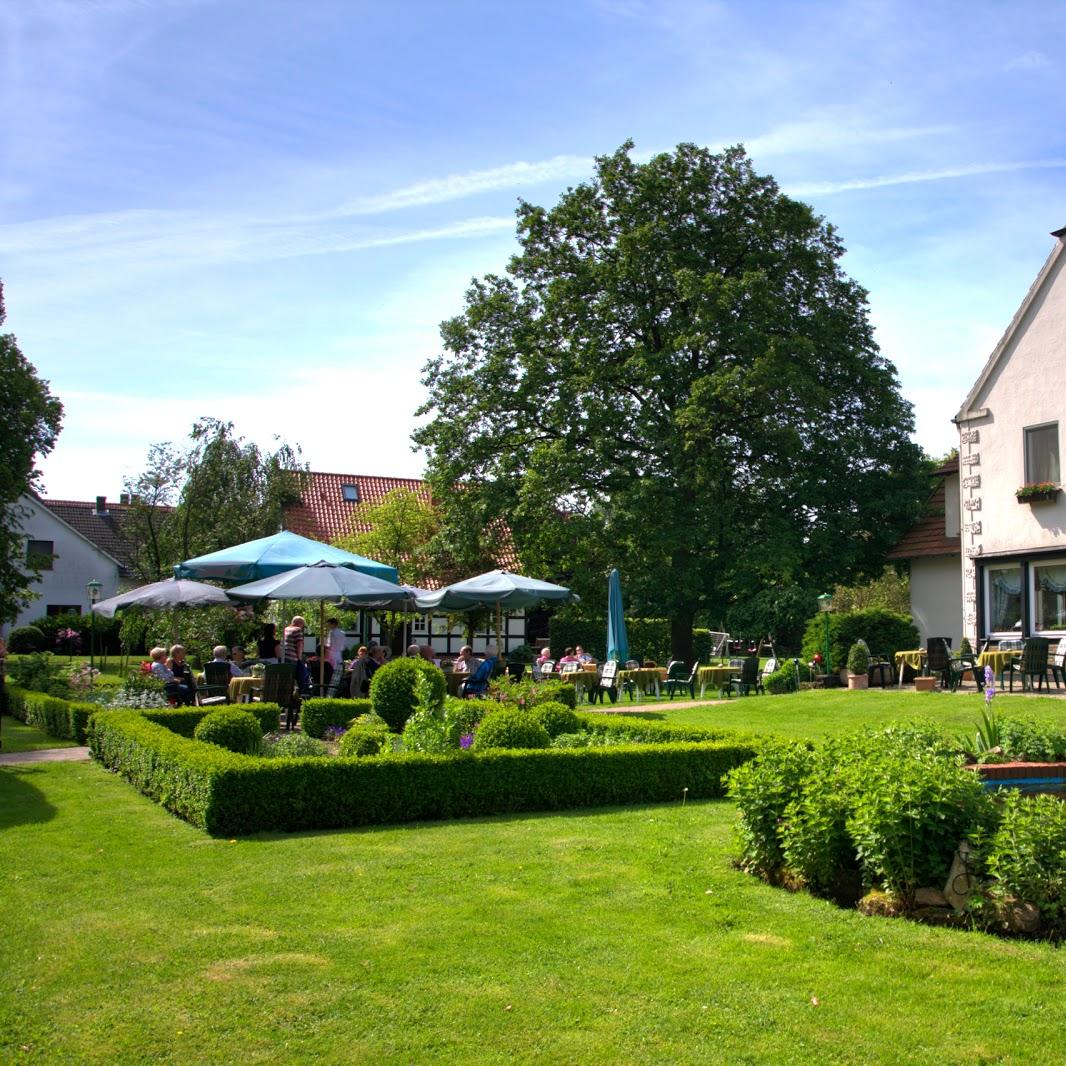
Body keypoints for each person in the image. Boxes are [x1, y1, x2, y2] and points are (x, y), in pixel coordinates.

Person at [283, 616, 310, 692]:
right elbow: (300, 645)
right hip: (292, 657)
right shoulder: (297, 630)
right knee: (298, 676)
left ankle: (285, 694)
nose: (302, 627)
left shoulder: (286, 629)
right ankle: (299, 694)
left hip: (283, 656)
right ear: (299, 623)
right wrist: (299, 658)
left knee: (286, 678)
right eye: (303, 624)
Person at [322, 618, 346, 693]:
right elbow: (343, 646)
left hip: (332, 654)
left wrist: (324, 646)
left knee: (331, 673)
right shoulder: (342, 633)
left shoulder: (332, 632)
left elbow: (329, 644)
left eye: (329, 624)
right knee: (338, 673)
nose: (328, 626)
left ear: (333, 624)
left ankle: (331, 690)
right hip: (339, 654)